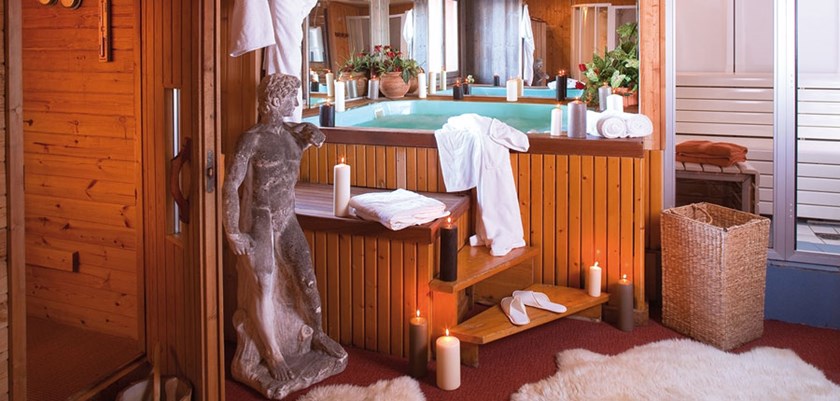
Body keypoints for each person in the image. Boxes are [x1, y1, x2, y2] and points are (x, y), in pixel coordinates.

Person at [223, 73, 345, 382]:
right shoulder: (251, 139)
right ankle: (272, 353)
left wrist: (313, 135)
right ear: (275, 101)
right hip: (260, 219)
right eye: (292, 97)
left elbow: (311, 135)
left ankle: (318, 333)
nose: (297, 102)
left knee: (307, 277)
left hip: (286, 217)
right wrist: (233, 231)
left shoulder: (295, 134)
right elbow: (231, 186)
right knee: (263, 286)